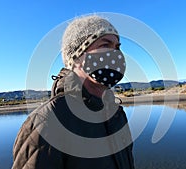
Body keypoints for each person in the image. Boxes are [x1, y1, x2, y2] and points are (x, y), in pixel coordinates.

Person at [12, 15, 135, 169]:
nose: (116, 54)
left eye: (117, 47)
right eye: (105, 45)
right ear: (76, 56)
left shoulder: (116, 113)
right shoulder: (47, 122)